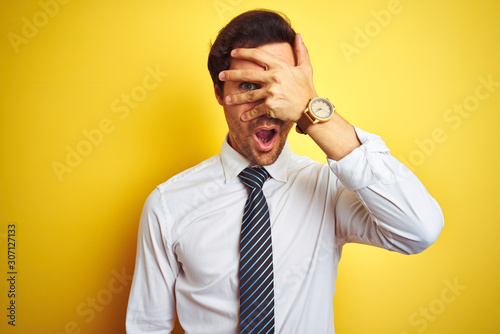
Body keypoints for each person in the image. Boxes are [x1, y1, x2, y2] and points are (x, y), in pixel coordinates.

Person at [126, 9, 444, 334]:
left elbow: (420, 229)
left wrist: (311, 108)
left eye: (283, 86)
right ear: (220, 93)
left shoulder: (329, 191)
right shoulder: (168, 204)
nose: (270, 105)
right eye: (251, 86)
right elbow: (147, 326)